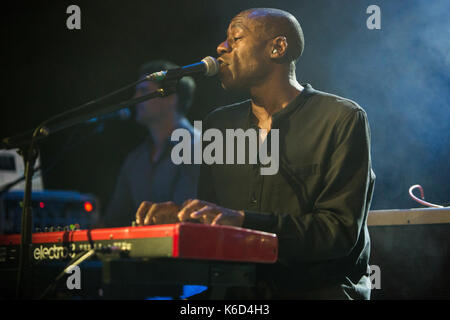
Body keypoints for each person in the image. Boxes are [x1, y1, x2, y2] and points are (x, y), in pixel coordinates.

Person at [136, 8, 376, 300]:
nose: (221, 47)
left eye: (235, 37)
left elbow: (337, 232)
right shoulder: (218, 124)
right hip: (238, 295)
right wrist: (183, 222)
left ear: (278, 47)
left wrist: (243, 221)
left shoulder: (341, 118)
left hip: (314, 291)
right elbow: (214, 222)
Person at [103, 60, 200, 227]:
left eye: (144, 90)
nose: (135, 98)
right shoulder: (135, 159)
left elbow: (188, 217)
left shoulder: (199, 147)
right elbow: (114, 219)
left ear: (170, 98)